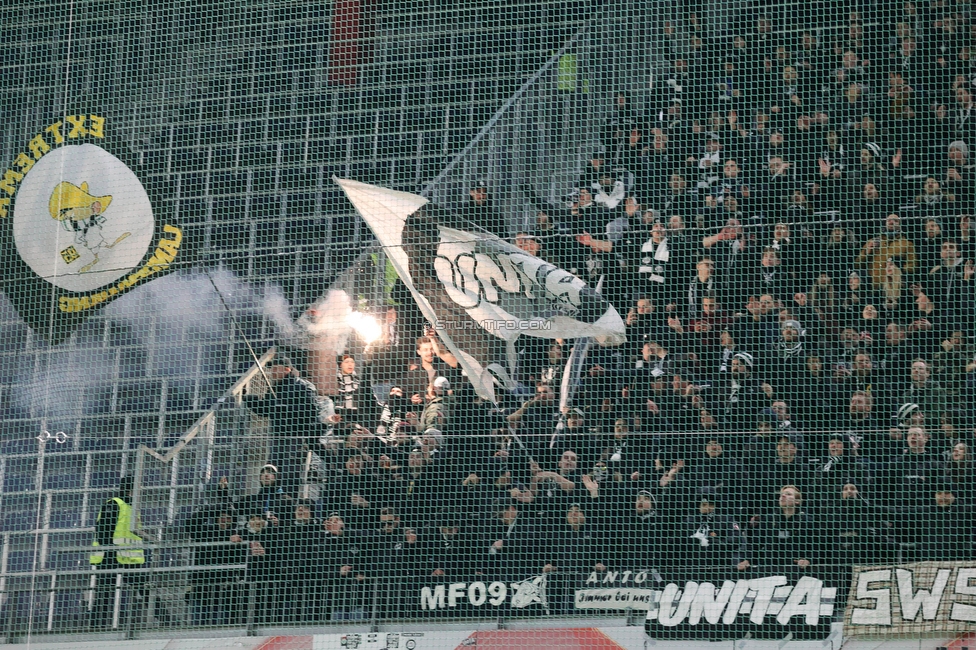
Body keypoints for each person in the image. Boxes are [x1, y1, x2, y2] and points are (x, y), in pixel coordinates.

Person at [89, 476, 147, 630]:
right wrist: (110, 551)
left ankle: (167, 620)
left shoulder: (131, 507)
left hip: (129, 558)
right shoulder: (115, 504)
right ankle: (95, 627)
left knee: (144, 589)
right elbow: (102, 530)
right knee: (105, 594)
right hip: (111, 557)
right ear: (131, 489)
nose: (140, 490)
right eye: (138, 487)